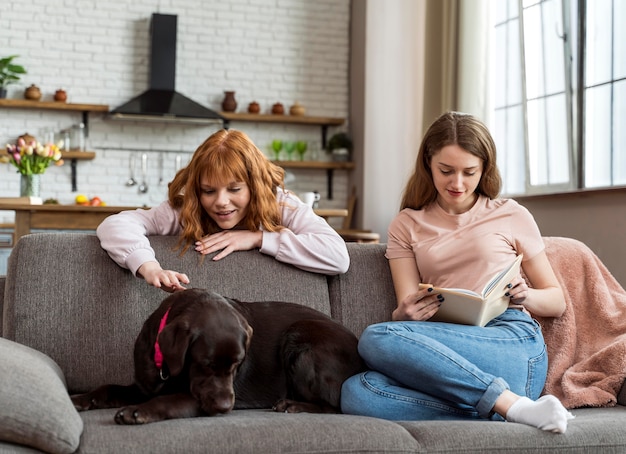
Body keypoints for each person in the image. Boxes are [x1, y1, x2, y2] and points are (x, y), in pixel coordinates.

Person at [340, 112, 574, 433]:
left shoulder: (510, 214)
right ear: (428, 163)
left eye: (469, 172)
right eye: (446, 171)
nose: (458, 183)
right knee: (358, 392)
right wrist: (405, 313)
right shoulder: (407, 223)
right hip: (446, 349)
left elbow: (557, 301)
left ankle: (509, 403)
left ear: (485, 169)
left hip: (511, 344)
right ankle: (507, 406)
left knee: (375, 337)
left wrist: (527, 295)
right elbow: (407, 304)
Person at [97, 129, 349, 292]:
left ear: (254, 186)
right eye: (208, 191)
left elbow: (338, 257)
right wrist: (149, 267)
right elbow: (114, 225)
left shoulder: (280, 204)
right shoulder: (187, 211)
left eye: (234, 189)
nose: (221, 202)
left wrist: (258, 238)